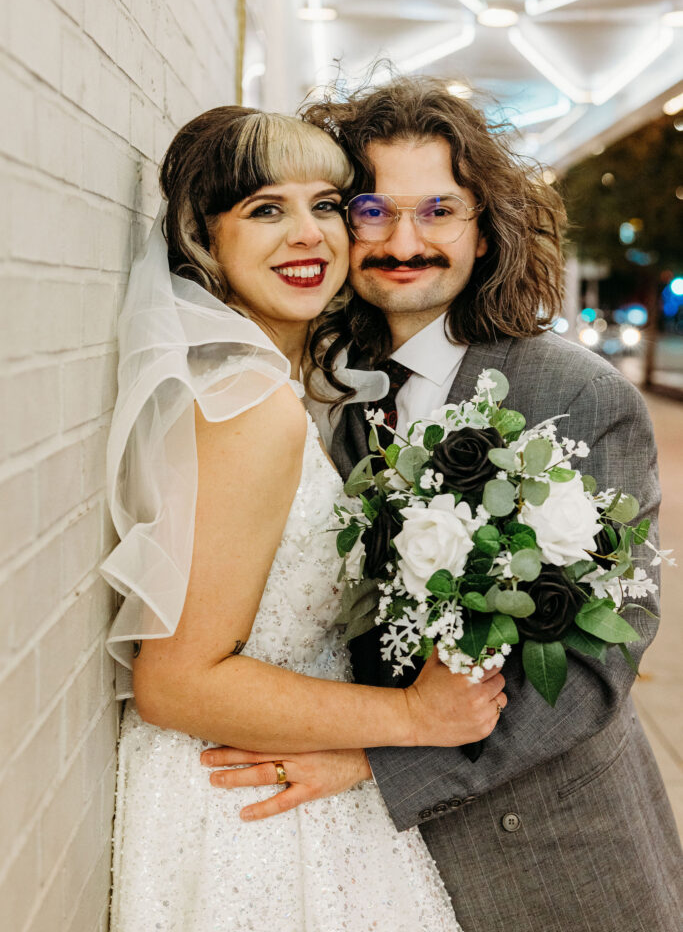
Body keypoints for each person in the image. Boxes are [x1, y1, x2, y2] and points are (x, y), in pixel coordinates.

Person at [204, 78, 683, 932]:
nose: (404, 241)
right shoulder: (334, 395)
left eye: (438, 211)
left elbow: (589, 671)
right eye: (372, 211)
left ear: (483, 228)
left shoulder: (576, 394)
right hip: (383, 867)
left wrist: (374, 764)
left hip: (553, 853)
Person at [102, 105, 508, 932]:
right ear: (201, 240)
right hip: (244, 804)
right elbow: (174, 680)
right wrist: (413, 718)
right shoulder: (251, 407)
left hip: (278, 778)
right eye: (264, 209)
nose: (308, 235)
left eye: (325, 205)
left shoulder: (270, 388)